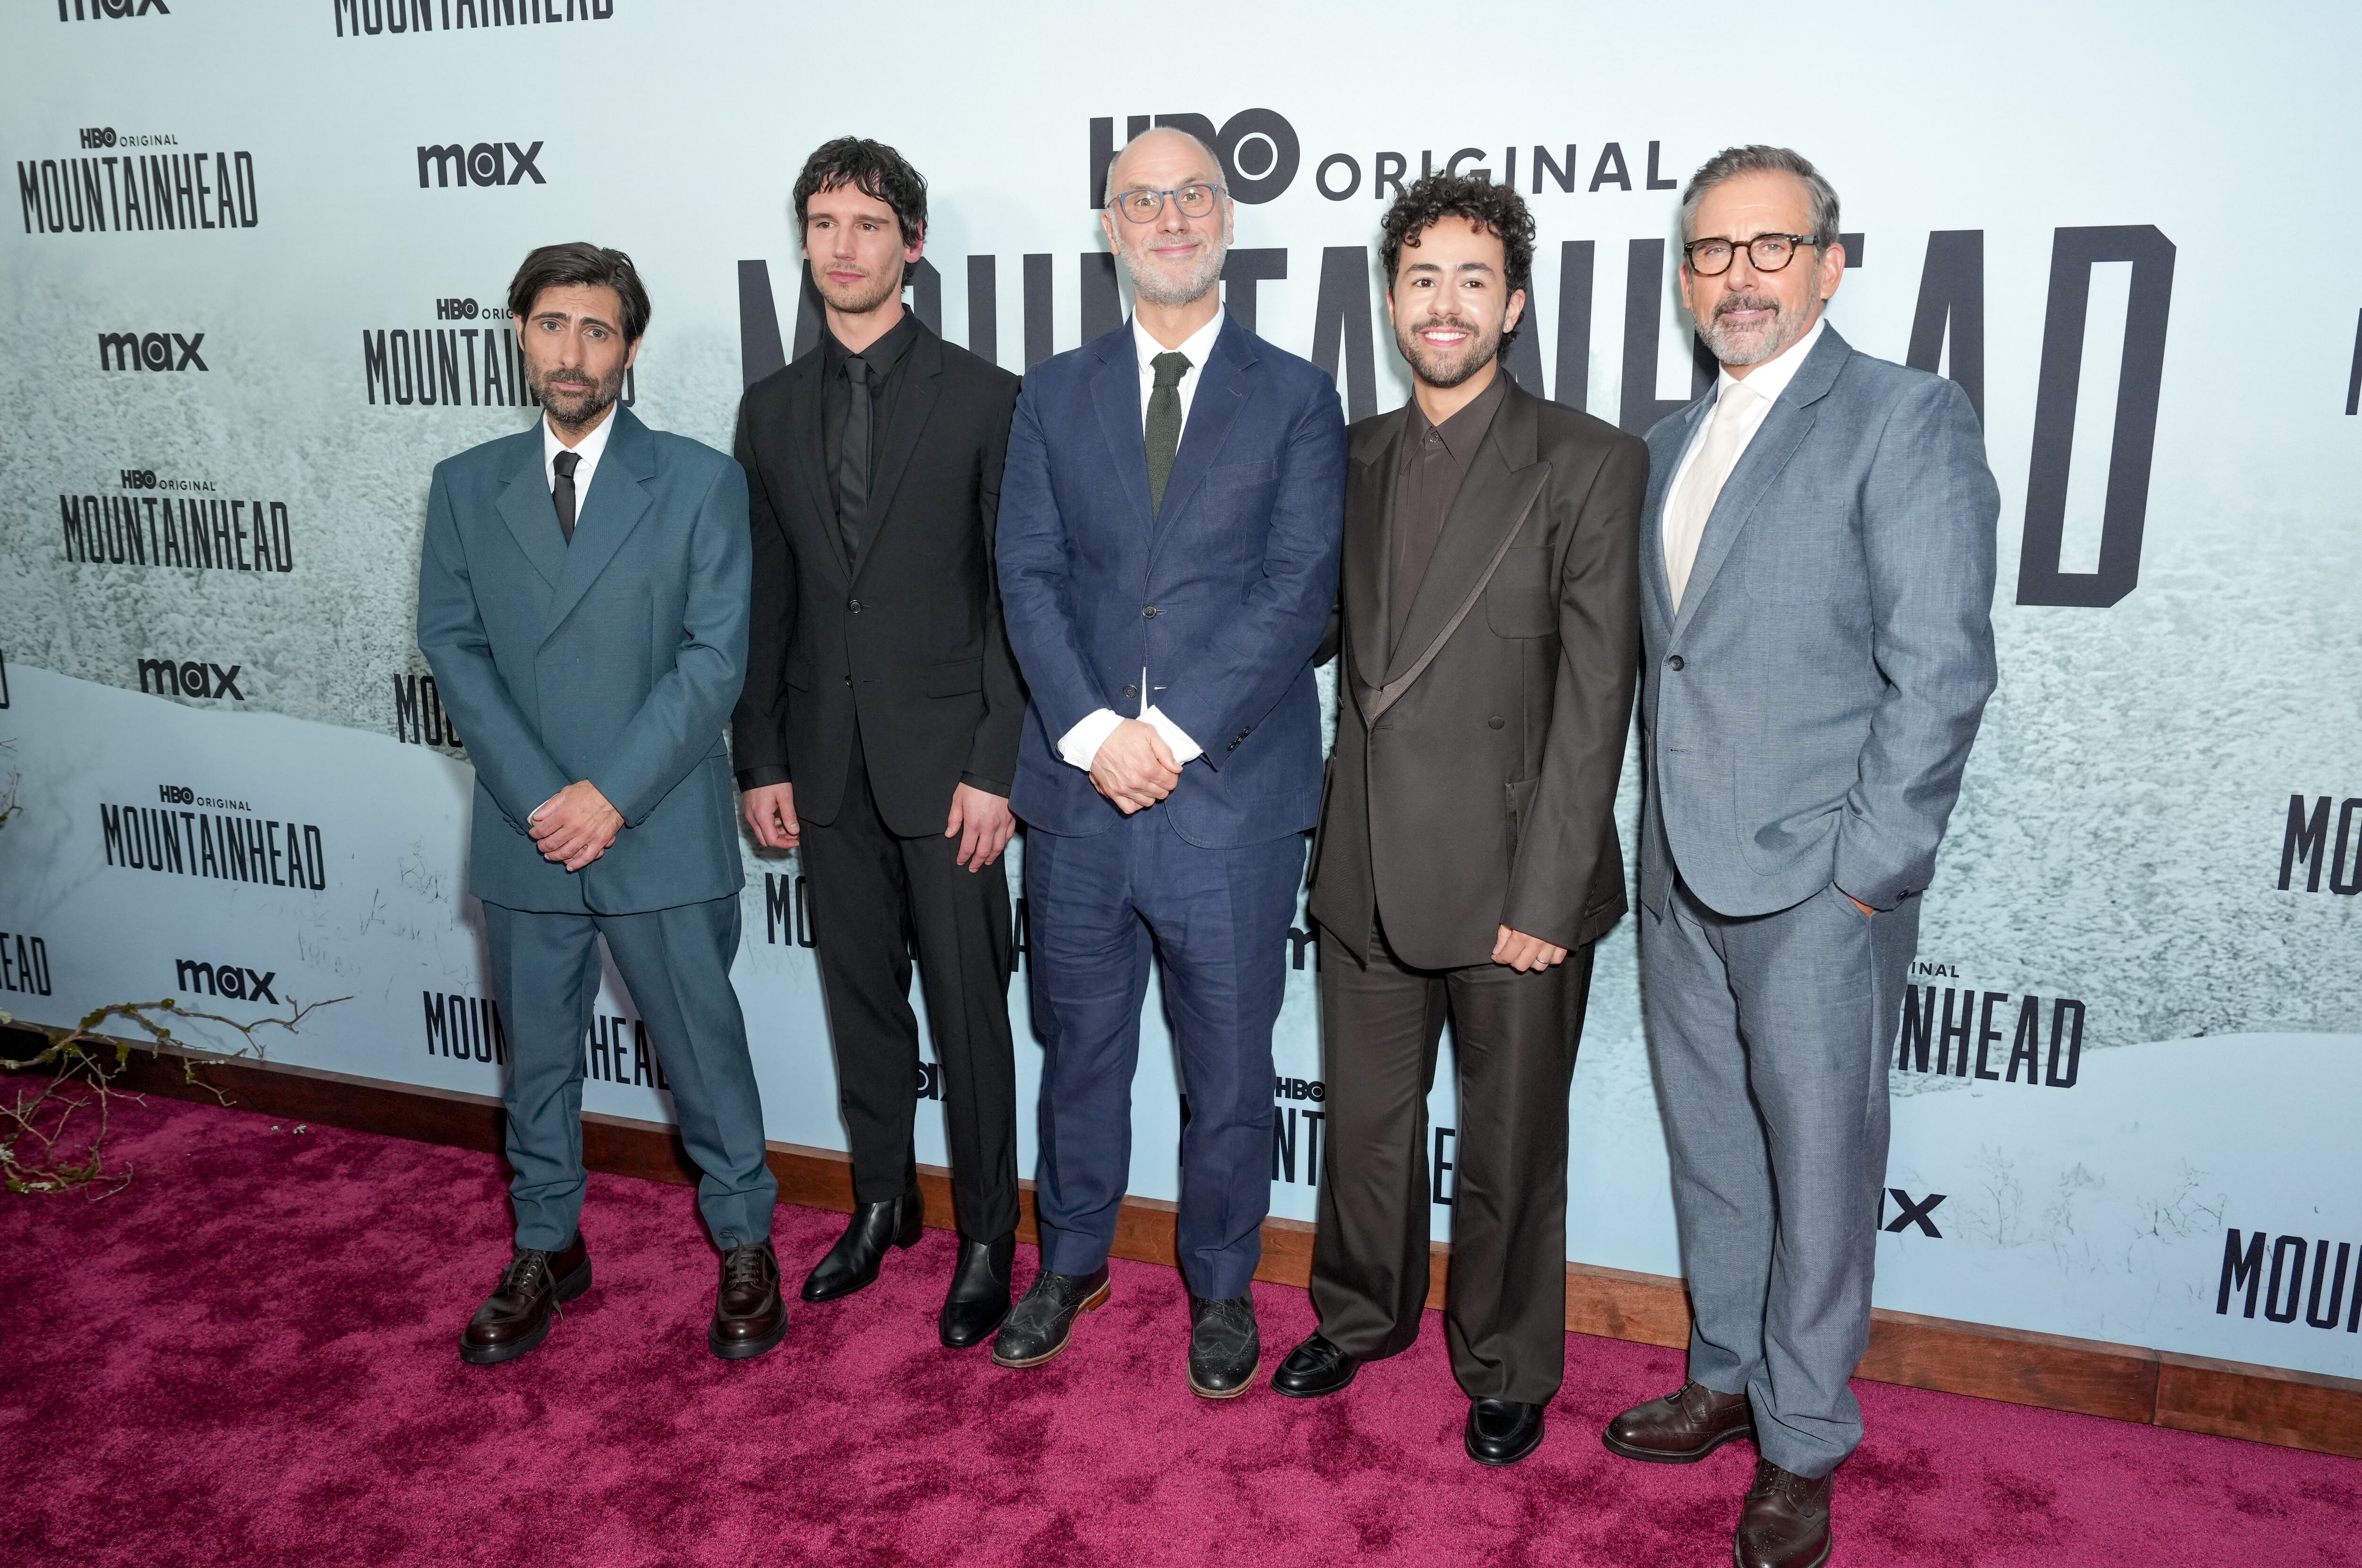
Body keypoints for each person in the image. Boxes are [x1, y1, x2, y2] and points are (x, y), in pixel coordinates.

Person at [1605, 146, 1997, 1568]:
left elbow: (1942, 668)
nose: (1738, 276)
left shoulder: (1903, 418)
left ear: (1831, 262)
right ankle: (1725, 1373)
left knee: (1824, 1171)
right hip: (1678, 877)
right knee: (1714, 1147)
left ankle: (1806, 1438)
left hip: (1820, 885)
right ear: (1687, 277)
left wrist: (1866, 869)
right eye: (1711, 252)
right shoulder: (1658, 441)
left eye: (1770, 247)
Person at [1268, 175, 1643, 1467]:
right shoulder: (1348, 457)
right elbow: (1298, 626)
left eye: (1473, 279)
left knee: (1508, 1145)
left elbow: (1599, 702)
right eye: (1422, 277)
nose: (1445, 303)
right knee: (1366, 1133)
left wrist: (1546, 901)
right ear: (1389, 301)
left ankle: (1503, 1361)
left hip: (1512, 882)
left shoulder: (1590, 462)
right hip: (1368, 864)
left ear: (1516, 303)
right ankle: (1362, 1315)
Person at [990, 126, 1346, 1395]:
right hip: (1082, 804)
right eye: (1144, 199)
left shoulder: (1300, 395)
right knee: (1079, 1052)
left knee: (1231, 1075)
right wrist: (1094, 737)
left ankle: (1223, 1289)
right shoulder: (1053, 391)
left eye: (1194, 194)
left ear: (1228, 219)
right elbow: (1026, 574)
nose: (1171, 217)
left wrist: (1173, 736)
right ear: (1111, 226)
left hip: (1228, 800)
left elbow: (1299, 591)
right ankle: (1071, 1263)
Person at [418, 242, 784, 1366]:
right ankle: (547, 1244)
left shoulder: (697, 479)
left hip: (658, 822)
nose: (571, 352)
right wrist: (550, 801)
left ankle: (742, 1242)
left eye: (597, 330)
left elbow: (715, 660)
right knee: (537, 1058)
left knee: (702, 1050)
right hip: (532, 835)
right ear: (519, 333)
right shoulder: (465, 485)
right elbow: (454, 648)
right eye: (551, 325)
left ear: (629, 346)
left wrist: (609, 797)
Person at [731, 137, 1026, 1348]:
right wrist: (761, 758)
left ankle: (991, 1235)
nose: (841, 246)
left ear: (911, 244)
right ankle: (880, 1201)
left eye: (866, 223)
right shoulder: (767, 410)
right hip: (825, 763)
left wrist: (997, 768)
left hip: (949, 772)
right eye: (821, 223)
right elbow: (768, 601)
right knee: (862, 1008)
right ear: (803, 243)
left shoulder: (986, 397)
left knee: (969, 1018)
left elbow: (1017, 600)